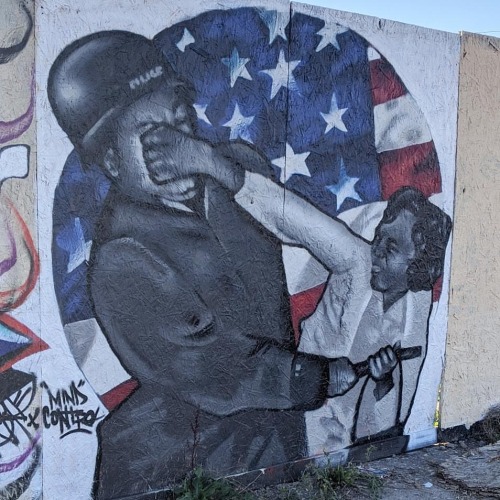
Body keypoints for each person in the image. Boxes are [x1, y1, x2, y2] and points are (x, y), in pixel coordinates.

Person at [47, 30, 363, 499]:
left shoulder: (233, 170)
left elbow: (318, 237)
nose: (178, 146)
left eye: (182, 121)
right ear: (113, 162)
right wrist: (311, 376)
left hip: (276, 435)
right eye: (153, 137)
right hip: (179, 463)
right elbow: (212, 365)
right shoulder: (122, 256)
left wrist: (219, 167)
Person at [146, 126, 452, 452]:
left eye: (391, 249)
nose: (375, 253)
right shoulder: (355, 261)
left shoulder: (417, 313)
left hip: (353, 453)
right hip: (297, 431)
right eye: (379, 238)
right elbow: (288, 216)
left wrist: (384, 381)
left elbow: (390, 422)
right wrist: (210, 162)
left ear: (418, 267)